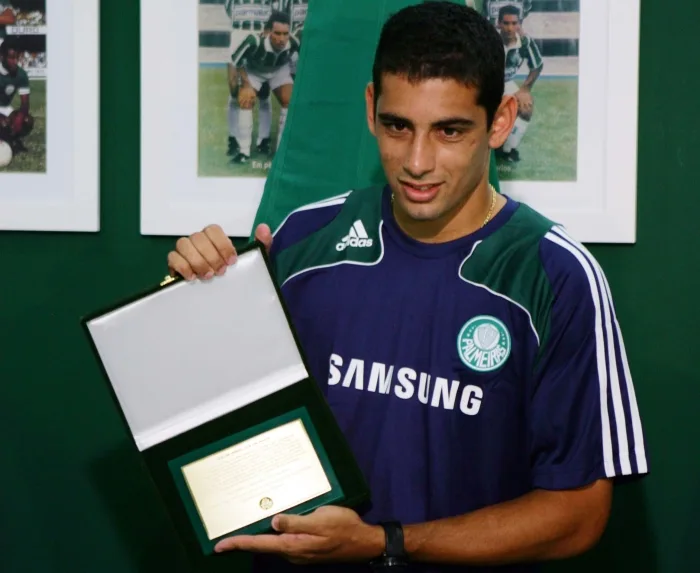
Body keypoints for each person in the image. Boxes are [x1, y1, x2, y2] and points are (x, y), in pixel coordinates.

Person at [167, 3, 648, 572]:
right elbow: (218, 425)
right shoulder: (302, 240)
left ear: (499, 122)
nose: (417, 162)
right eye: (398, 126)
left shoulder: (555, 274)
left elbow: (579, 513)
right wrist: (192, 301)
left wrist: (385, 541)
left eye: (450, 131)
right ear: (371, 108)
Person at [227, 9, 299, 164]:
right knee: (246, 100)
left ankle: (281, 154)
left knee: (290, 101)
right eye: (277, 33)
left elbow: (296, 63)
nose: (282, 39)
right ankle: (244, 152)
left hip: (278, 72)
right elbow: (237, 61)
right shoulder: (254, 41)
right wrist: (245, 84)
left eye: (285, 33)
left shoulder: (293, 43)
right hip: (254, 72)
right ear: (267, 32)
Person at [224, 0, 274, 158]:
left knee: (264, 92)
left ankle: (263, 140)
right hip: (238, 36)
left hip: (260, 39)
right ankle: (233, 138)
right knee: (234, 90)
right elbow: (228, 9)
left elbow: (275, 12)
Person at [495, 4, 543, 163]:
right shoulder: (490, 39)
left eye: (514, 23)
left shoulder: (524, 43)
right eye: (506, 23)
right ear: (499, 23)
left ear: (519, 24)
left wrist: (525, 89)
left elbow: (537, 65)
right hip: (487, 83)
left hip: (507, 82)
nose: (510, 28)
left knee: (526, 106)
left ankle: (508, 150)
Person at [0, 36, 34, 154]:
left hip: (5, 108)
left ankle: (12, 139)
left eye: (17, 57)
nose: (15, 61)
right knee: (3, 122)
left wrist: (19, 117)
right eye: (11, 58)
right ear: (2, 56)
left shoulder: (21, 75)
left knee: (27, 120)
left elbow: (25, 103)